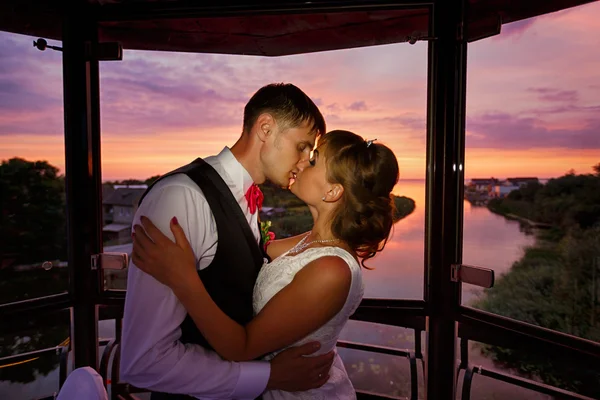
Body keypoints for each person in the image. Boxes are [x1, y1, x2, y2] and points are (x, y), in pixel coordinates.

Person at [131, 130, 400, 399]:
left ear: (333, 191)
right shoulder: (307, 243)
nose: (302, 161)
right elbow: (243, 254)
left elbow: (241, 347)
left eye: (315, 159)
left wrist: (182, 277)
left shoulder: (332, 271)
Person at [120, 83, 332, 400]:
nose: (304, 160)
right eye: (302, 146)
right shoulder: (181, 198)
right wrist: (268, 376)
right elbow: (145, 362)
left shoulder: (246, 197)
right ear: (266, 128)